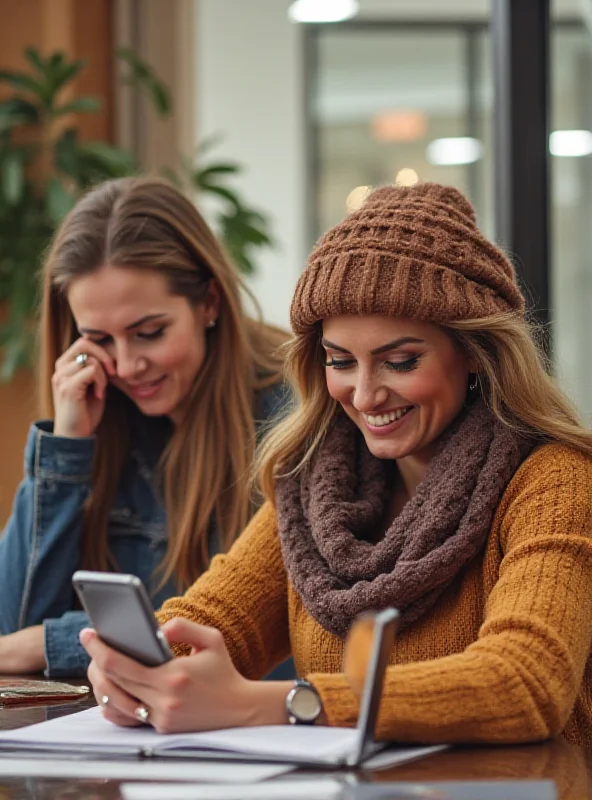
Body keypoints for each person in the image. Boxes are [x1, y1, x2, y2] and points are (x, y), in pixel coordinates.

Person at [82, 182, 592, 747]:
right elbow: (211, 617)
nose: (366, 394)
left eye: (400, 361)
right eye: (341, 361)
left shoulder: (554, 482)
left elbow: (524, 682)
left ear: (474, 351)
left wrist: (283, 704)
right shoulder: (312, 489)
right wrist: (138, 668)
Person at [0, 176, 289, 677]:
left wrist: (57, 643)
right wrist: (67, 447)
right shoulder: (101, 417)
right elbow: (13, 631)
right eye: (100, 339)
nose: (128, 365)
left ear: (209, 304)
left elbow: (248, 631)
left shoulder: (293, 418)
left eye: (149, 333)